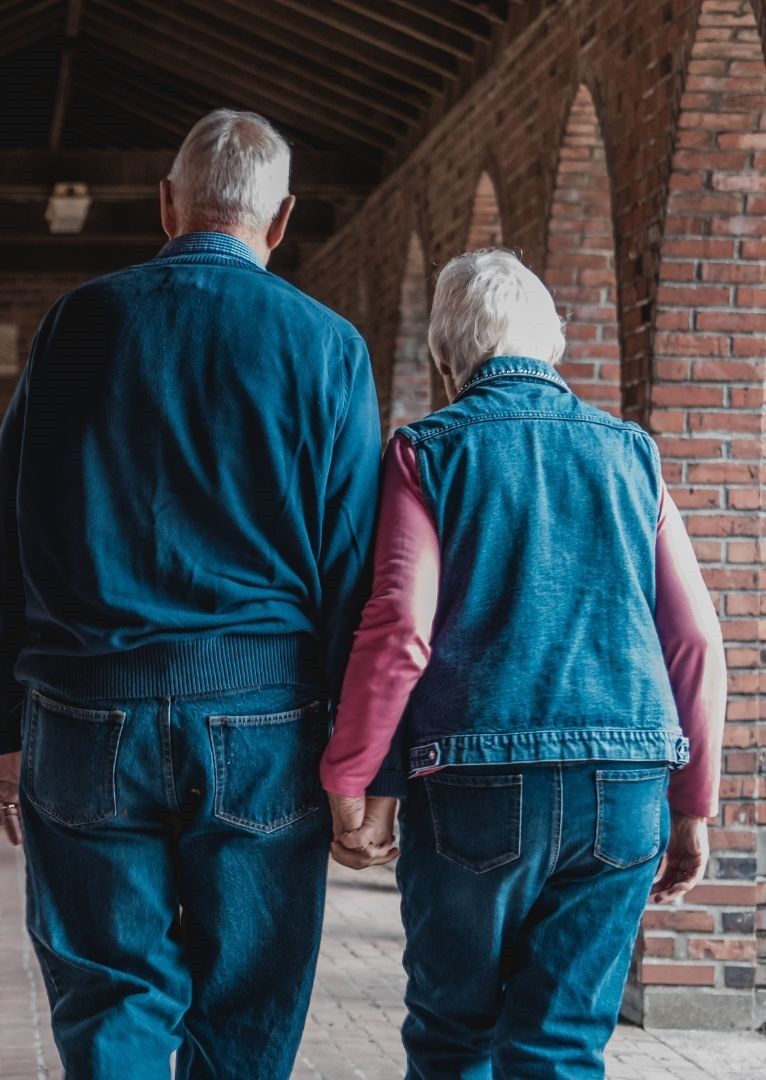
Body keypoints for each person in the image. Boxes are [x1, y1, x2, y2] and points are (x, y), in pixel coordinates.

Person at [0, 109, 383, 1079]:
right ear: (280, 221)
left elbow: (3, 540)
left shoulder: (81, 321)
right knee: (246, 999)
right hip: (264, 717)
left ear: (165, 203)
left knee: (108, 991)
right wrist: (359, 760)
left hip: (81, 709)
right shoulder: (324, 345)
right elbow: (355, 571)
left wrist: (0, 729)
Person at [321, 249, 725, 1078]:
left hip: (475, 782)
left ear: (443, 360)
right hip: (625, 782)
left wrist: (356, 776)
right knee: (566, 1042)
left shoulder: (425, 452)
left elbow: (401, 626)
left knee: (453, 1035)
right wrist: (693, 801)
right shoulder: (633, 455)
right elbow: (693, 639)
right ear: (556, 347)